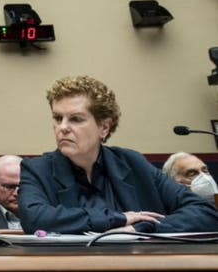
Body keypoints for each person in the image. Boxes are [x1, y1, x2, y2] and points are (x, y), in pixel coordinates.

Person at [19, 75, 218, 234]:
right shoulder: (38, 169)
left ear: (104, 127)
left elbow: (205, 212)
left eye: (76, 119)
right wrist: (119, 218)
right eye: (57, 118)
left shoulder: (133, 163)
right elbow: (34, 219)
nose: (62, 127)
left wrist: (143, 229)